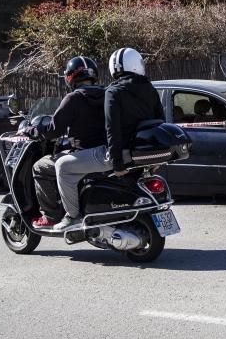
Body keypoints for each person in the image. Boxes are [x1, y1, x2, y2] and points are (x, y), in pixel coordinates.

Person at [54, 47, 164, 231]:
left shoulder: (114, 91)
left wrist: (117, 163)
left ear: (115, 67)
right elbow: (160, 122)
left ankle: (73, 216)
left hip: (117, 154)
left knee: (62, 166)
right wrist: (156, 157)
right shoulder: (149, 89)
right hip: (141, 153)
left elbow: (112, 129)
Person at [29, 56, 106, 229]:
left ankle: (50, 215)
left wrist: (31, 131)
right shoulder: (107, 94)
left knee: (40, 166)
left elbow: (52, 131)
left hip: (83, 155)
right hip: (106, 153)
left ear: (70, 76)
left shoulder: (73, 98)